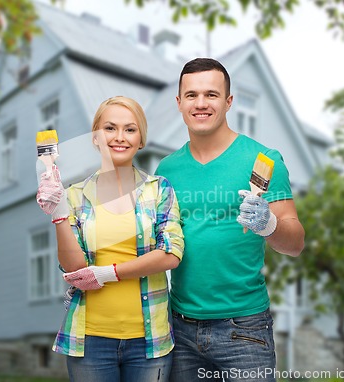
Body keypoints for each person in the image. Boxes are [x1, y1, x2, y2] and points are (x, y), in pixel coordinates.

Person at [155, 58, 305, 382]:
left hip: (244, 329)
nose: (201, 103)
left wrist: (269, 225)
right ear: (179, 103)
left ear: (228, 101)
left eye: (211, 94)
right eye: (192, 95)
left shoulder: (263, 160)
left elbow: (296, 243)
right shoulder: (166, 171)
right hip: (180, 329)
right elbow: (154, 242)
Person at [36, 96, 184, 382]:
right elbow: (73, 268)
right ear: (95, 136)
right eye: (110, 128)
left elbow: (171, 253)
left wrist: (108, 273)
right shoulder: (75, 196)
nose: (119, 137)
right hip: (90, 340)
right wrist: (58, 214)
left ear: (141, 139)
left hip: (149, 340)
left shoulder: (159, 190)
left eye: (130, 129)